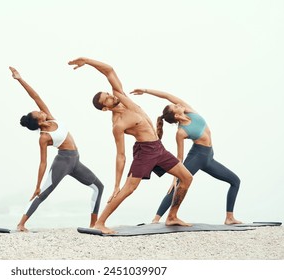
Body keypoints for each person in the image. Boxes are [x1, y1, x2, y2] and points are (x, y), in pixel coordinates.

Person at [68, 57, 193, 234]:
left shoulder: (122, 98)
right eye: (107, 99)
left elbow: (109, 70)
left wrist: (87, 61)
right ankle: (100, 223)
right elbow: (120, 155)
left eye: (108, 94)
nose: (111, 96)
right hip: (145, 152)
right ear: (105, 108)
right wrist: (116, 185)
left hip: (159, 148)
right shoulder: (118, 124)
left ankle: (172, 216)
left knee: (187, 177)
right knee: (128, 189)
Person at [9, 66, 104, 232]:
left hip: (76, 161)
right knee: (43, 194)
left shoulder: (51, 118)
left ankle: (93, 224)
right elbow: (42, 163)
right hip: (63, 162)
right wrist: (37, 185)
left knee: (98, 187)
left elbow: (35, 96)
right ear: (37, 121)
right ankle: (21, 224)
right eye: (38, 112)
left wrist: (20, 79)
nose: (40, 110)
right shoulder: (44, 137)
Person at [131, 88, 241, 225]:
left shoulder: (189, 111)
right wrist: (174, 177)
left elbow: (167, 95)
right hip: (197, 157)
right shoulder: (181, 132)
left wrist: (146, 91)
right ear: (176, 116)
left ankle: (229, 218)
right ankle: (156, 220)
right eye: (175, 106)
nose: (178, 104)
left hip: (209, 158)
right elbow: (179, 157)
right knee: (178, 185)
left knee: (235, 181)